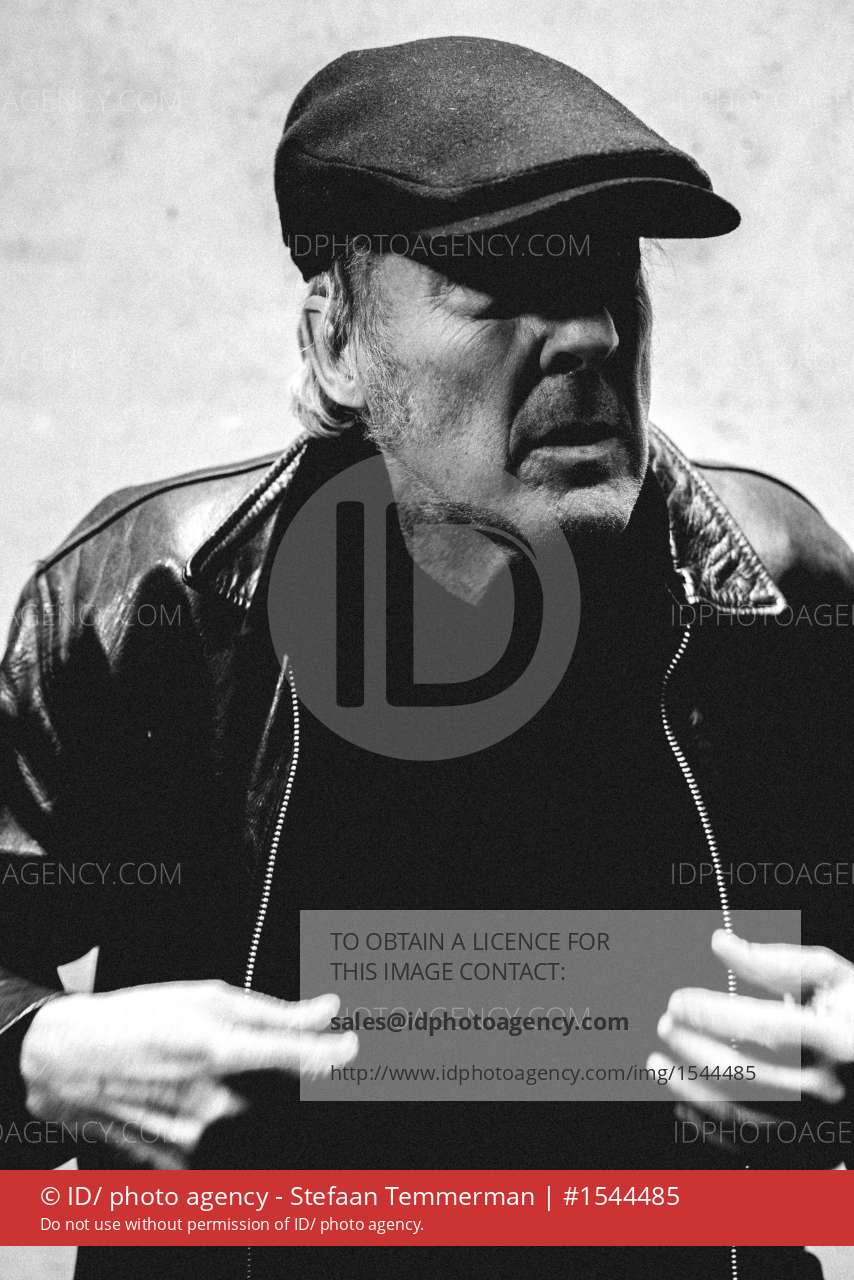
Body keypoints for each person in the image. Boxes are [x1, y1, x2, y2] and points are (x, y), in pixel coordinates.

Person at [2, 35, 853, 1280]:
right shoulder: (149, 604)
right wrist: (43, 1060)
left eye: (610, 276)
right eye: (500, 282)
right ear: (336, 343)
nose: (589, 334)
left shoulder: (773, 595)